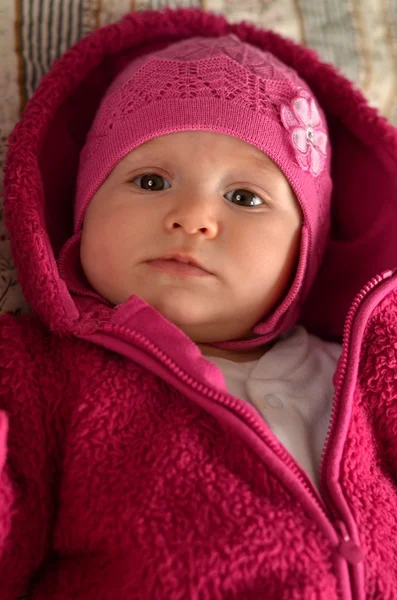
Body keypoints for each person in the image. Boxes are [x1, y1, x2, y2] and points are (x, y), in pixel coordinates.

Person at [1, 6, 397, 600]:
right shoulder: (42, 375)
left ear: (306, 252)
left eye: (244, 196)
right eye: (152, 181)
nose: (194, 218)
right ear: (84, 213)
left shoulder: (367, 370)